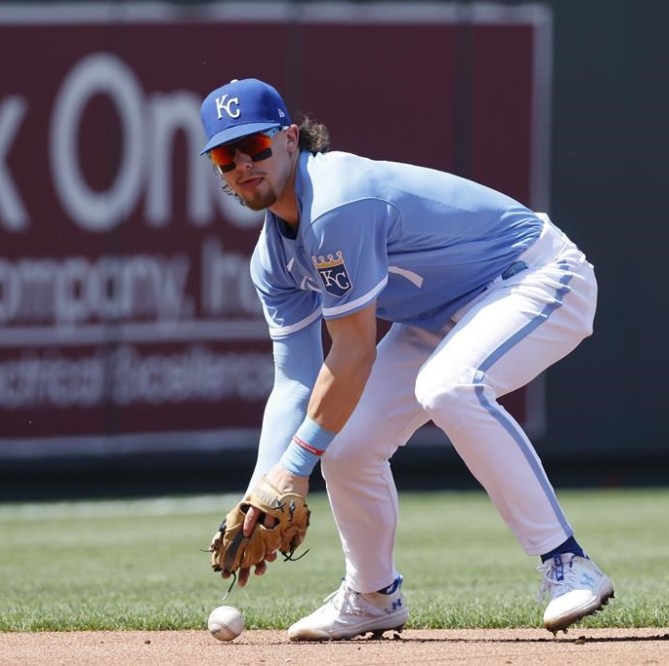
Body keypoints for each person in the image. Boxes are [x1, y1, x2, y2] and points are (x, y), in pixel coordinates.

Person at [199, 78, 614, 641]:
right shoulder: (273, 260)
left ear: (291, 139)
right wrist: (260, 492)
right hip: (440, 315)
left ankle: (567, 563)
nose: (244, 163)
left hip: (535, 274)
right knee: (342, 448)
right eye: (227, 155)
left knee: (449, 387)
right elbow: (296, 383)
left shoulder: (338, 199)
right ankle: (372, 595)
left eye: (257, 146)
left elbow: (353, 352)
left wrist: (291, 471)